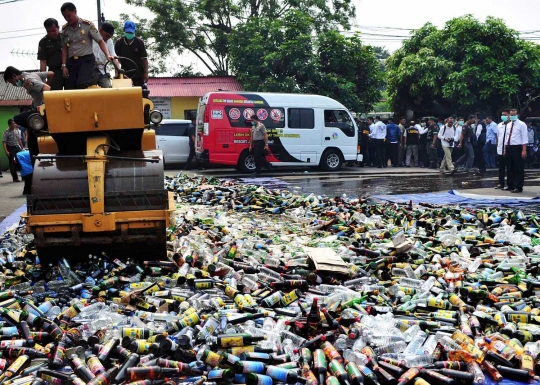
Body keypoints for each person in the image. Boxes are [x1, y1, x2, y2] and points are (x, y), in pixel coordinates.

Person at [3, 66, 54, 160]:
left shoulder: (27, 80)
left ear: (14, 76)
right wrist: (43, 86)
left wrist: (43, 104)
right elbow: (51, 73)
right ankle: (35, 130)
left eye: (11, 82)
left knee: (17, 118)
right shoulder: (31, 74)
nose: (13, 85)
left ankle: (37, 129)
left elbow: (47, 88)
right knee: (31, 139)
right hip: (39, 110)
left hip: (40, 112)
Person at [60, 2, 114, 89]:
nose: (67, 18)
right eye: (64, 17)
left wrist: (107, 55)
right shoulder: (65, 29)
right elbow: (64, 48)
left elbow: (100, 41)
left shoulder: (88, 25)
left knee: (82, 84)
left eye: (69, 15)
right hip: (72, 62)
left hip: (86, 60)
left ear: (75, 12)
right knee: (71, 86)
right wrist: (64, 65)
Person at [115, 20, 149, 87]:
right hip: (124, 73)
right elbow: (117, 59)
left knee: (139, 92)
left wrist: (146, 73)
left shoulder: (139, 42)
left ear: (134, 31)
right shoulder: (119, 42)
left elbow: (144, 59)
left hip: (138, 73)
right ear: (124, 30)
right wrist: (117, 73)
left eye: (131, 32)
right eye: (128, 32)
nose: (129, 34)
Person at [38, 18, 67, 90]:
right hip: (54, 71)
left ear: (58, 27)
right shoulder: (43, 42)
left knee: (72, 93)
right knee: (55, 95)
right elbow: (43, 62)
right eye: (49, 31)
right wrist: (43, 78)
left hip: (67, 68)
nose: (51, 33)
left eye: (54, 31)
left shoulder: (65, 37)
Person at [503, 109, 528, 193]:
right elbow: (507, 138)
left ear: (517, 115)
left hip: (517, 147)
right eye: (511, 114)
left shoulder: (522, 124)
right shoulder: (509, 125)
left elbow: (524, 138)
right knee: (510, 167)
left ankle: (518, 186)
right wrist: (505, 149)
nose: (512, 116)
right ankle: (510, 185)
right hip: (509, 147)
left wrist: (524, 150)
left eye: (514, 114)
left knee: (518, 168)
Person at [91, 22, 121, 88]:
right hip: (91, 70)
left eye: (109, 37)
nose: (107, 38)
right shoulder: (91, 38)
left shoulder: (109, 41)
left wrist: (120, 71)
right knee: (89, 90)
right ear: (100, 30)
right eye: (106, 35)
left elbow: (113, 56)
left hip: (102, 70)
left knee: (108, 89)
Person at [495, 110, 510, 190]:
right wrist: (497, 144)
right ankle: (501, 183)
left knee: (509, 168)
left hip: (508, 149)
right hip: (500, 149)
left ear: (509, 115)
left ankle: (509, 184)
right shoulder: (499, 125)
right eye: (502, 114)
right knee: (501, 168)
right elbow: (497, 136)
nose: (503, 116)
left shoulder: (511, 125)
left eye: (505, 114)